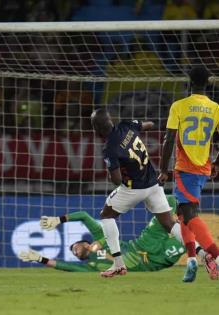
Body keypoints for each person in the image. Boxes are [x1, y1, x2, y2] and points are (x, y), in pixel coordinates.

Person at [90, 108, 183, 278]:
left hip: (134, 188)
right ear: (111, 120)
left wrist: (111, 169)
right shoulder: (127, 125)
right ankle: (203, 253)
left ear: (97, 128)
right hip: (153, 183)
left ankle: (118, 264)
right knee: (169, 223)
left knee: (106, 215)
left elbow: (117, 180)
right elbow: (150, 124)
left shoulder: (109, 148)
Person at [19, 197, 206, 273]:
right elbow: (63, 265)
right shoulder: (91, 266)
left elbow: (83, 216)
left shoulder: (101, 235)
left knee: (169, 201)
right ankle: (210, 256)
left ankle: (187, 214)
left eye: (76, 247)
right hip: (153, 261)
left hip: (142, 243)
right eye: (75, 253)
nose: (76, 251)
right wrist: (38, 258)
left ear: (86, 242)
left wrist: (58, 220)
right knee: (189, 242)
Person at [158, 66, 219, 282]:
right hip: (204, 167)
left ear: (189, 82)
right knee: (183, 214)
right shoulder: (215, 108)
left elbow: (168, 139)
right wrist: (217, 162)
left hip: (185, 168)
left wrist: (163, 169)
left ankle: (216, 256)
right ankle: (192, 259)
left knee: (188, 213)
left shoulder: (179, 106)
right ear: (208, 82)